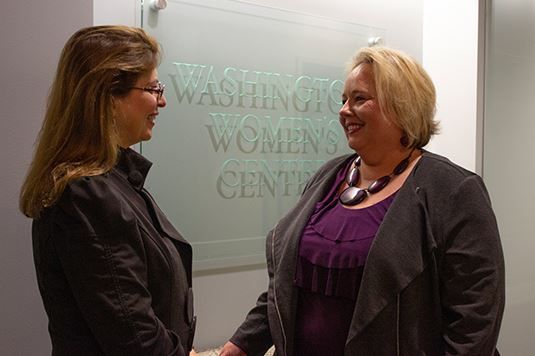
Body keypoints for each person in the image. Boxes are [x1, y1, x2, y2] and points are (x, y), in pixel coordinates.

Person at [220, 46, 505, 355]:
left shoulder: (453, 190)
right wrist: (241, 345)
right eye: (343, 100)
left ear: (401, 106)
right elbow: (287, 286)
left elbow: (474, 322)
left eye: (359, 99)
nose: (344, 110)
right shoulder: (328, 176)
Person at [19, 25, 196, 356]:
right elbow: (136, 340)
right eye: (153, 88)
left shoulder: (110, 182)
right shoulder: (86, 196)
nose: (162, 100)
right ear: (109, 95)